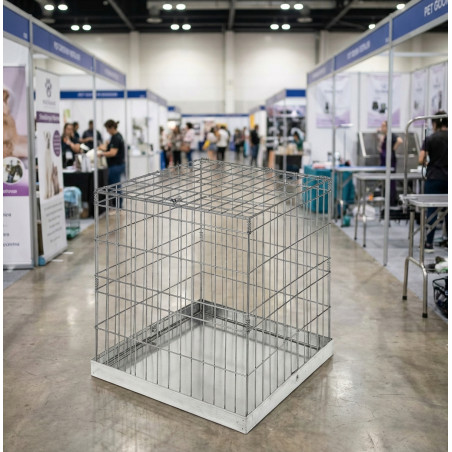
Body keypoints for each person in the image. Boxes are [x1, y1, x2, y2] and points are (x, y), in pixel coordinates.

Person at [419, 111, 448, 252]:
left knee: (432, 210)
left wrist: (427, 163)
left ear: (435, 123)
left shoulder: (430, 139)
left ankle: (429, 243)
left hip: (434, 178)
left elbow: (421, 159)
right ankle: (448, 241)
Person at [98, 119, 125, 207]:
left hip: (115, 166)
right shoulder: (116, 136)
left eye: (107, 129)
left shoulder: (116, 138)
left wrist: (102, 154)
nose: (107, 131)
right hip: (117, 165)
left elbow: (113, 153)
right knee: (115, 186)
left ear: (112, 128)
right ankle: (117, 205)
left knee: (114, 187)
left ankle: (117, 206)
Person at [378, 120, 403, 206]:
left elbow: (400, 140)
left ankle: (392, 202)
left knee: (391, 182)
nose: (381, 128)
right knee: (385, 182)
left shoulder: (391, 135)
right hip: (384, 162)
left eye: (383, 126)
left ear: (387, 127)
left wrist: (392, 149)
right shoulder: (385, 136)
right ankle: (387, 201)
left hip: (390, 162)